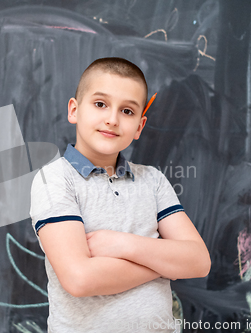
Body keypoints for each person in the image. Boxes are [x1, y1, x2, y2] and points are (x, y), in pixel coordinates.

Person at [29, 57, 211, 333]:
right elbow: (80, 279)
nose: (112, 119)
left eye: (127, 111)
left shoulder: (152, 180)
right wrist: (165, 265)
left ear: (139, 126)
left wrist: (122, 244)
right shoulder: (54, 179)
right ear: (74, 110)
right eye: (100, 104)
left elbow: (198, 261)